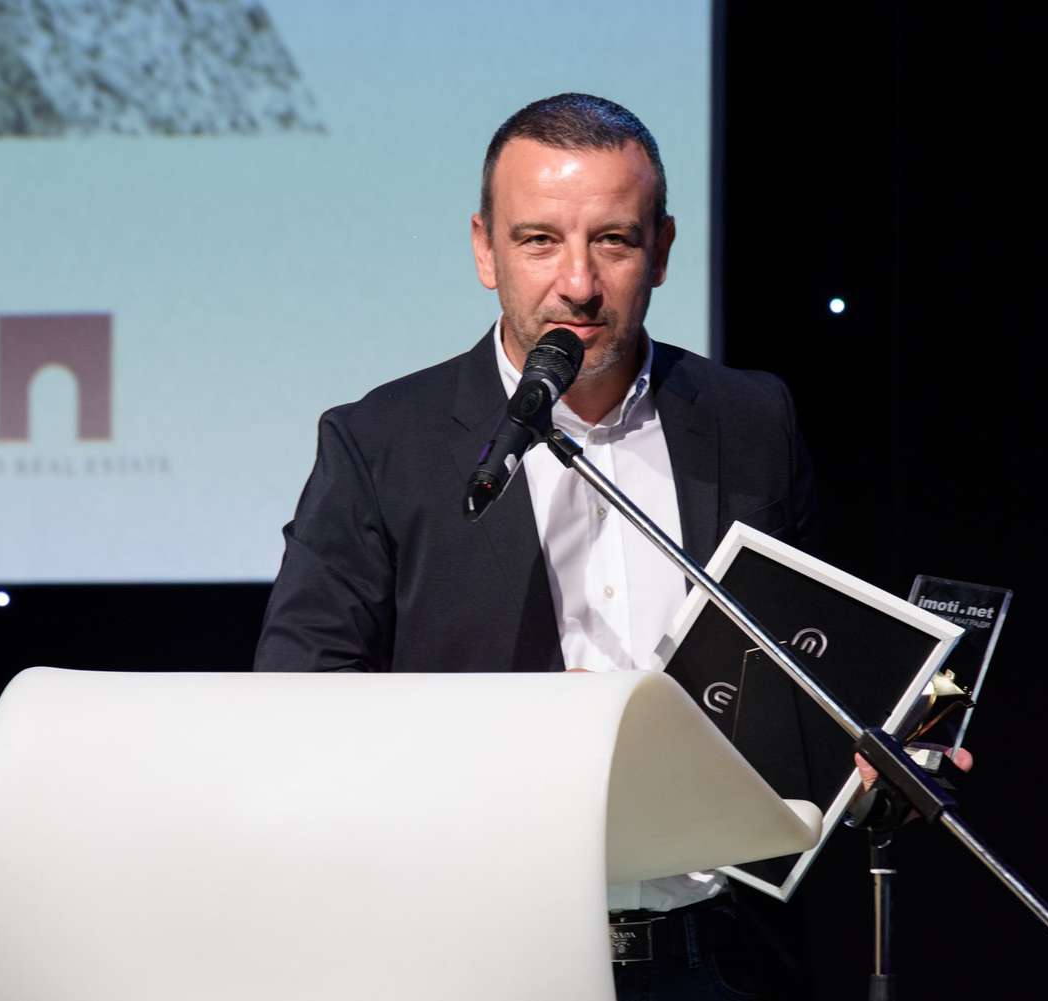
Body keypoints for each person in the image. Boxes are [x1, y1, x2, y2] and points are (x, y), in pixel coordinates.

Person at [255, 93, 817, 999]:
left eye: (614, 241)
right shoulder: (381, 443)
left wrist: (877, 732)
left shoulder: (751, 419)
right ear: (486, 249)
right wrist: (519, 740)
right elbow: (299, 699)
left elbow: (801, 658)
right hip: (483, 953)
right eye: (540, 240)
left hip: (717, 957)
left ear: (662, 249)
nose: (578, 283)